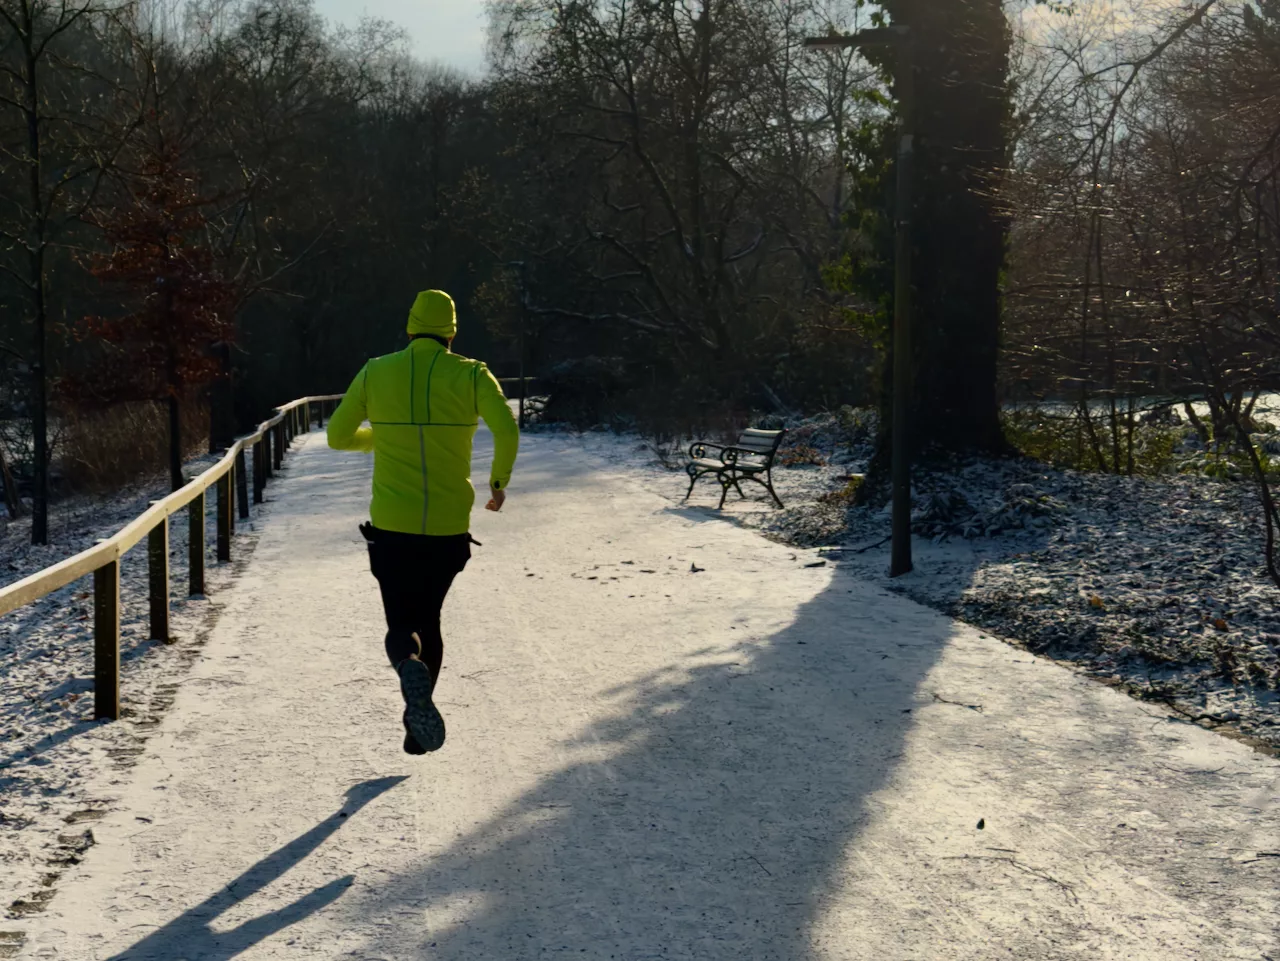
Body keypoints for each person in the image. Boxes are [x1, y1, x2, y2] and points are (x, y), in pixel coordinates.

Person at [327, 289, 519, 755]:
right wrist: (497, 482)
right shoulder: (473, 375)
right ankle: (417, 726)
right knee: (428, 618)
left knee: (400, 621)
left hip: (392, 525)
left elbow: (336, 436)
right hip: (448, 527)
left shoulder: (376, 371)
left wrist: (381, 439)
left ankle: (407, 668)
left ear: (409, 327)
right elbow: (507, 428)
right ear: (452, 332)